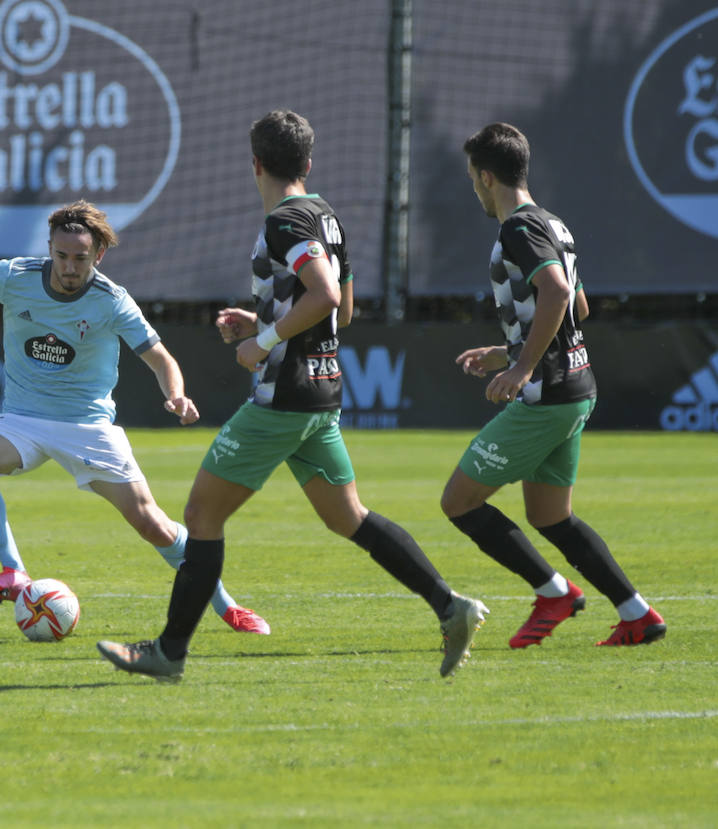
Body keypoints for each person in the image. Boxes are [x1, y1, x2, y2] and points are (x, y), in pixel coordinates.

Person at [96, 110, 488, 681]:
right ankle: (452, 607)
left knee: (201, 514)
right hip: (322, 391)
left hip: (286, 396)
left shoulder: (283, 220)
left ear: (254, 164)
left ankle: (169, 653)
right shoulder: (326, 216)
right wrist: (260, 318)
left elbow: (326, 296)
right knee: (347, 516)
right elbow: (345, 309)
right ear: (308, 163)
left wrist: (263, 341)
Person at [0, 200, 271, 636]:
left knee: (152, 524)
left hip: (88, 428)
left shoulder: (112, 300)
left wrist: (176, 395)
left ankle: (228, 607)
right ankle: (14, 572)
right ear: (50, 249)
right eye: (61, 256)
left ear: (98, 256)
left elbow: (161, 358)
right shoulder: (16, 276)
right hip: (23, 420)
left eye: (80, 258)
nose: (69, 267)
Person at [441, 122, 665, 648]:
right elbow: (577, 307)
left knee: (460, 502)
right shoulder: (554, 224)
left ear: (486, 176)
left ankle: (554, 591)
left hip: (548, 394)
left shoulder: (518, 227)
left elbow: (559, 293)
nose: (473, 187)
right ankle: (637, 613)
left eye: (473, 178)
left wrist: (520, 370)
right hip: (575, 386)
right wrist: (507, 350)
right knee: (549, 515)